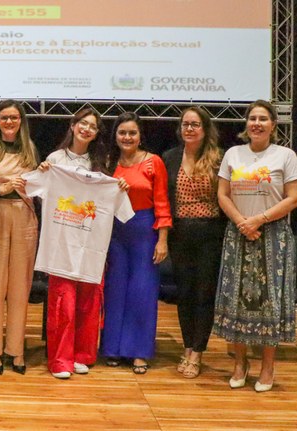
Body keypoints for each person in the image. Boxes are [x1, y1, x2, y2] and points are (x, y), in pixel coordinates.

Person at [213, 100, 297, 392]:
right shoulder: (233, 154)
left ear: (273, 125)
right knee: (236, 300)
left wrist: (259, 220)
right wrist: (242, 222)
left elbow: (293, 198)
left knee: (269, 303)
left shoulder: (286, 156)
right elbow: (223, 194)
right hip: (239, 232)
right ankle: (240, 364)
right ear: (246, 124)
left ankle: (267, 367)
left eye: (263, 119)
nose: (257, 123)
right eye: (252, 118)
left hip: (273, 235)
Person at [34, 109, 128, 378]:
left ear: (97, 134)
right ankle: (59, 360)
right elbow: (36, 192)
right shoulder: (55, 159)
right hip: (62, 243)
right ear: (73, 126)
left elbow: (118, 206)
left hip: (91, 244)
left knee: (89, 303)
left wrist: (119, 187)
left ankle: (82, 355)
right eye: (83, 124)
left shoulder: (101, 163)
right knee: (63, 303)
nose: (86, 129)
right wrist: (41, 173)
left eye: (93, 127)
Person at [100, 112, 171, 374]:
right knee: (115, 291)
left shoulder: (154, 162)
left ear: (140, 136)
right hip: (115, 234)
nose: (127, 137)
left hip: (144, 232)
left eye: (132, 133)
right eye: (122, 133)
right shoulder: (108, 162)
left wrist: (162, 240)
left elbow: (162, 202)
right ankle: (113, 349)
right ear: (115, 136)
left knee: (142, 292)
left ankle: (139, 352)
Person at [0, 100, 39, 374]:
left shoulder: (30, 149)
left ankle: (16, 350)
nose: (9, 122)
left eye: (14, 117)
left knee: (20, 287)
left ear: (21, 120)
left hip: (25, 216)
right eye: (4, 118)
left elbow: (40, 188)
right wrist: (0, 190)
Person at [162, 107, 224, 379]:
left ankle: (198, 351)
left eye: (195, 124)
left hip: (210, 234)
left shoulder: (219, 159)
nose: (189, 129)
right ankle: (187, 345)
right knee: (185, 293)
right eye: (185, 124)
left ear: (205, 128)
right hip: (180, 234)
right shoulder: (169, 158)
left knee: (204, 294)